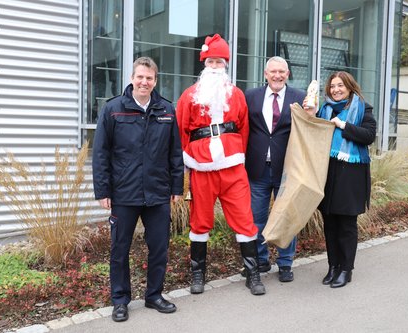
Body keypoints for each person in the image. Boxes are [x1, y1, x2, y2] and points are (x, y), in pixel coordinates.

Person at [93, 57, 184, 322]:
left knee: (159, 248)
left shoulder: (166, 110)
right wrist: (103, 191)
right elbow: (101, 153)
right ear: (132, 78)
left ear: (155, 80)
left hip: (157, 193)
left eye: (150, 78)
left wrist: (176, 186)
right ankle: (120, 300)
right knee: (119, 249)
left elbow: (174, 152)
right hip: (124, 193)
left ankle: (154, 295)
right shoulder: (113, 109)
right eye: (140, 77)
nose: (144, 82)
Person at [176, 34, 265, 296]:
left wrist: (241, 155)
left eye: (219, 62)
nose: (215, 66)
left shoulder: (236, 95)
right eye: (211, 61)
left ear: (225, 64)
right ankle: (198, 274)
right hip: (201, 165)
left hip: (232, 165)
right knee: (200, 221)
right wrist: (185, 161)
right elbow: (181, 129)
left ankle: (253, 273)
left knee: (245, 219)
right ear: (204, 64)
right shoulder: (190, 96)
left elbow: (244, 129)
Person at [303, 71, 376, 288]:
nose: (335, 89)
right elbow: (312, 135)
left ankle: (346, 269)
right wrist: (310, 114)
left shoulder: (363, 108)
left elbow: (369, 136)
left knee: (346, 224)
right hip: (327, 171)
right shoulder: (324, 110)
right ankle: (333, 266)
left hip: (351, 173)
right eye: (332, 86)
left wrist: (344, 126)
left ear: (350, 87)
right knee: (330, 223)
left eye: (340, 85)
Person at [244, 56, 306, 282]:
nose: (277, 76)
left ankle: (285, 263)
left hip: (287, 169)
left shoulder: (299, 97)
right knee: (256, 218)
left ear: (287, 74)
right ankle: (261, 260)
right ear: (265, 74)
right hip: (257, 168)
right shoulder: (250, 97)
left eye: (282, 72)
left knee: (286, 217)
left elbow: (308, 127)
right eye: (273, 72)